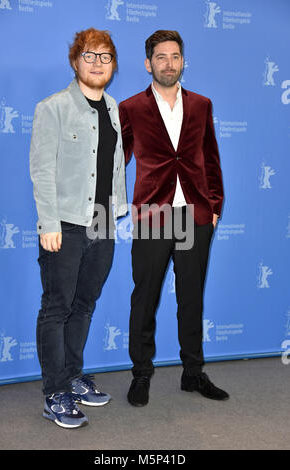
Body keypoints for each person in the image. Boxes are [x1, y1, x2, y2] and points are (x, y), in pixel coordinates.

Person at [119, 30, 229, 407]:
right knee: (145, 298)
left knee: (192, 299)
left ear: (184, 61)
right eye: (161, 57)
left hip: (196, 215)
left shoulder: (201, 104)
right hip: (153, 214)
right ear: (148, 63)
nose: (169, 63)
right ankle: (141, 375)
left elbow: (210, 158)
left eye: (175, 56)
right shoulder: (130, 107)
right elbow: (119, 162)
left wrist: (215, 206)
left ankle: (193, 373)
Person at [30, 27, 127, 428]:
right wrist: (49, 223)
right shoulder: (52, 108)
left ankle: (72, 376)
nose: (97, 63)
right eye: (89, 55)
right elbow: (42, 169)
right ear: (75, 61)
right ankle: (55, 391)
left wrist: (119, 210)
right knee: (57, 308)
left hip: (103, 224)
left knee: (84, 305)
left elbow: (114, 165)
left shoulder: (114, 108)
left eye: (104, 57)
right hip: (65, 226)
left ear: (113, 65)